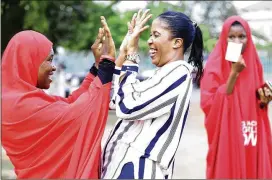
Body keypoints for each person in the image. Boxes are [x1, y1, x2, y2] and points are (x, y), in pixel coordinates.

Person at [2, 16, 116, 179]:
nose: (53, 66)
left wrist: (97, 67)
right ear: (29, 61)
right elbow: (79, 115)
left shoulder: (15, 98)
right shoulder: (20, 104)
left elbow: (70, 104)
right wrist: (107, 65)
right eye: (49, 60)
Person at [101, 9, 204, 179]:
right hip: (125, 166)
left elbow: (127, 107)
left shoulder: (179, 73)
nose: (149, 41)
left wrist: (132, 57)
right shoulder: (161, 75)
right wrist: (124, 53)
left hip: (138, 169)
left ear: (177, 42)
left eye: (156, 35)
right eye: (150, 35)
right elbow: (116, 100)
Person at [200, 16, 272, 179]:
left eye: (242, 36)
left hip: (249, 131)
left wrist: (263, 100)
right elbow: (209, 105)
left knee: (251, 168)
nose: (237, 41)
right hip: (228, 134)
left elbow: (255, 101)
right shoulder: (214, 66)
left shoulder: (254, 64)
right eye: (231, 37)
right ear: (224, 38)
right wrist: (234, 73)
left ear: (249, 38)